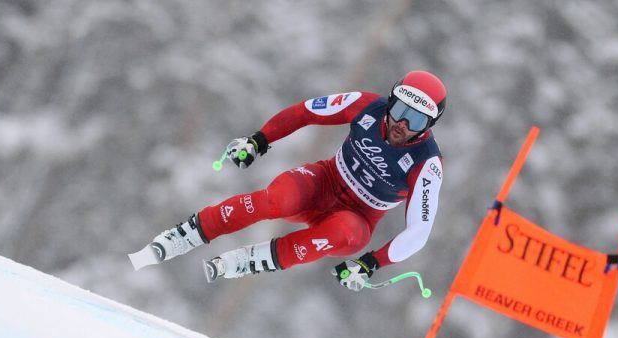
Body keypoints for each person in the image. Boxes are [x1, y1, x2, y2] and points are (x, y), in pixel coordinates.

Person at [129, 70, 446, 292]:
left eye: (416, 119)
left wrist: (370, 264)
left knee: (342, 230)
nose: (402, 124)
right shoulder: (367, 106)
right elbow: (306, 111)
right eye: (400, 109)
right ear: (390, 101)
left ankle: (249, 261)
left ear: (429, 125)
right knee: (277, 200)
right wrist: (259, 140)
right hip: (324, 182)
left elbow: (419, 231)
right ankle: (186, 235)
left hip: (358, 218)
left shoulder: (427, 163)